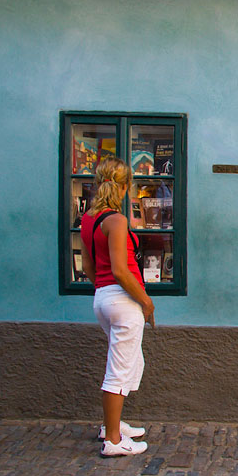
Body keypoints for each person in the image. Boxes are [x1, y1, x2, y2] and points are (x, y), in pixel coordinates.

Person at [80, 155, 155, 457]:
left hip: (103, 297)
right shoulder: (117, 220)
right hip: (122, 300)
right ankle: (113, 440)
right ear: (123, 188)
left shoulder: (89, 220)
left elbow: (88, 267)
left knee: (127, 361)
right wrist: (146, 302)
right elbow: (121, 270)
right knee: (119, 369)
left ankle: (113, 425)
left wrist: (107, 291)